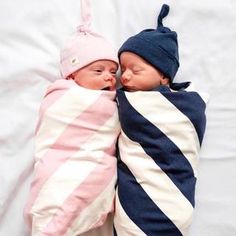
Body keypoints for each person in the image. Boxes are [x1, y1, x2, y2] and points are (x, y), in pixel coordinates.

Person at [24, 0, 120, 235]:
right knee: (55, 192)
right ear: (72, 75)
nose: (109, 78)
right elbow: (53, 136)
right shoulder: (62, 97)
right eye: (98, 71)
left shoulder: (113, 103)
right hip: (60, 164)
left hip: (95, 166)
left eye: (112, 71)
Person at [114, 4, 208, 236]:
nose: (124, 76)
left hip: (173, 197)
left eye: (135, 70)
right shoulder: (127, 102)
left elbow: (188, 134)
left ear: (164, 76)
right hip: (135, 195)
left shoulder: (187, 106)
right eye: (123, 68)